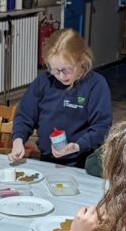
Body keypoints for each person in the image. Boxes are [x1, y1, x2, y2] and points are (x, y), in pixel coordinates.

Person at [9, 30, 112, 169]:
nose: (61, 76)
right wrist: (18, 140)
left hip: (82, 162)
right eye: (55, 70)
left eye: (67, 70)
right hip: (47, 160)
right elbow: (24, 115)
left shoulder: (95, 85)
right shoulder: (44, 81)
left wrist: (77, 146)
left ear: (82, 59)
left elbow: (101, 127)